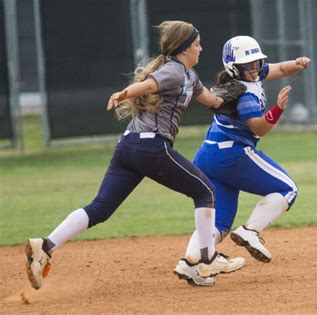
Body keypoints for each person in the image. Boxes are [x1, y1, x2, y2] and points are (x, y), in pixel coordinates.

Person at [24, 20, 244, 290]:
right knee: (205, 192)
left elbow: (211, 100)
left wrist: (229, 97)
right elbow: (149, 85)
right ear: (184, 48)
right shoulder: (173, 71)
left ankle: (44, 246)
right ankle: (208, 257)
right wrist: (123, 93)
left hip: (129, 147)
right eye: (197, 44)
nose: (201, 48)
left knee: (101, 208)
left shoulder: (190, 77)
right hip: (151, 147)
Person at [174, 35, 310, 272]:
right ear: (234, 67)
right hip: (231, 154)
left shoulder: (250, 74)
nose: (255, 68)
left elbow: (278, 68)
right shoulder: (243, 93)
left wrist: (296, 65)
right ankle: (250, 230)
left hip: (209, 156)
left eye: (257, 62)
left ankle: (190, 263)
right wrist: (277, 109)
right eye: (249, 65)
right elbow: (259, 128)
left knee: (220, 221)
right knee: (288, 189)